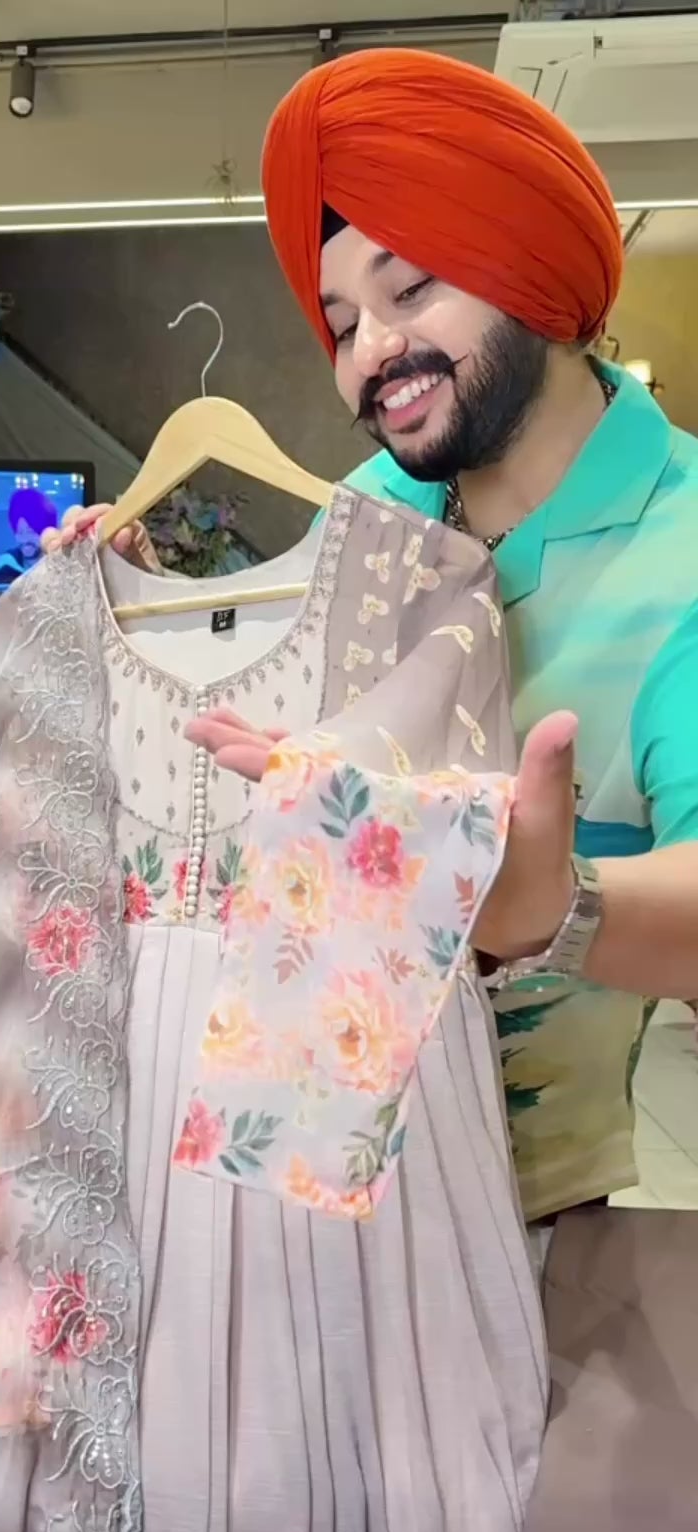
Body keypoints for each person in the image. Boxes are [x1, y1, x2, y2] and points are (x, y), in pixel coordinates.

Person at [50, 48, 698, 1223]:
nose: (370, 355)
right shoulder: (373, 510)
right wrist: (153, 621)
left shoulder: (684, 543)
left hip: (539, 1211)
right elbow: (289, 759)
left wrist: (548, 904)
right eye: (342, 322)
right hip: (309, 1177)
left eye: (410, 291)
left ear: (527, 263)